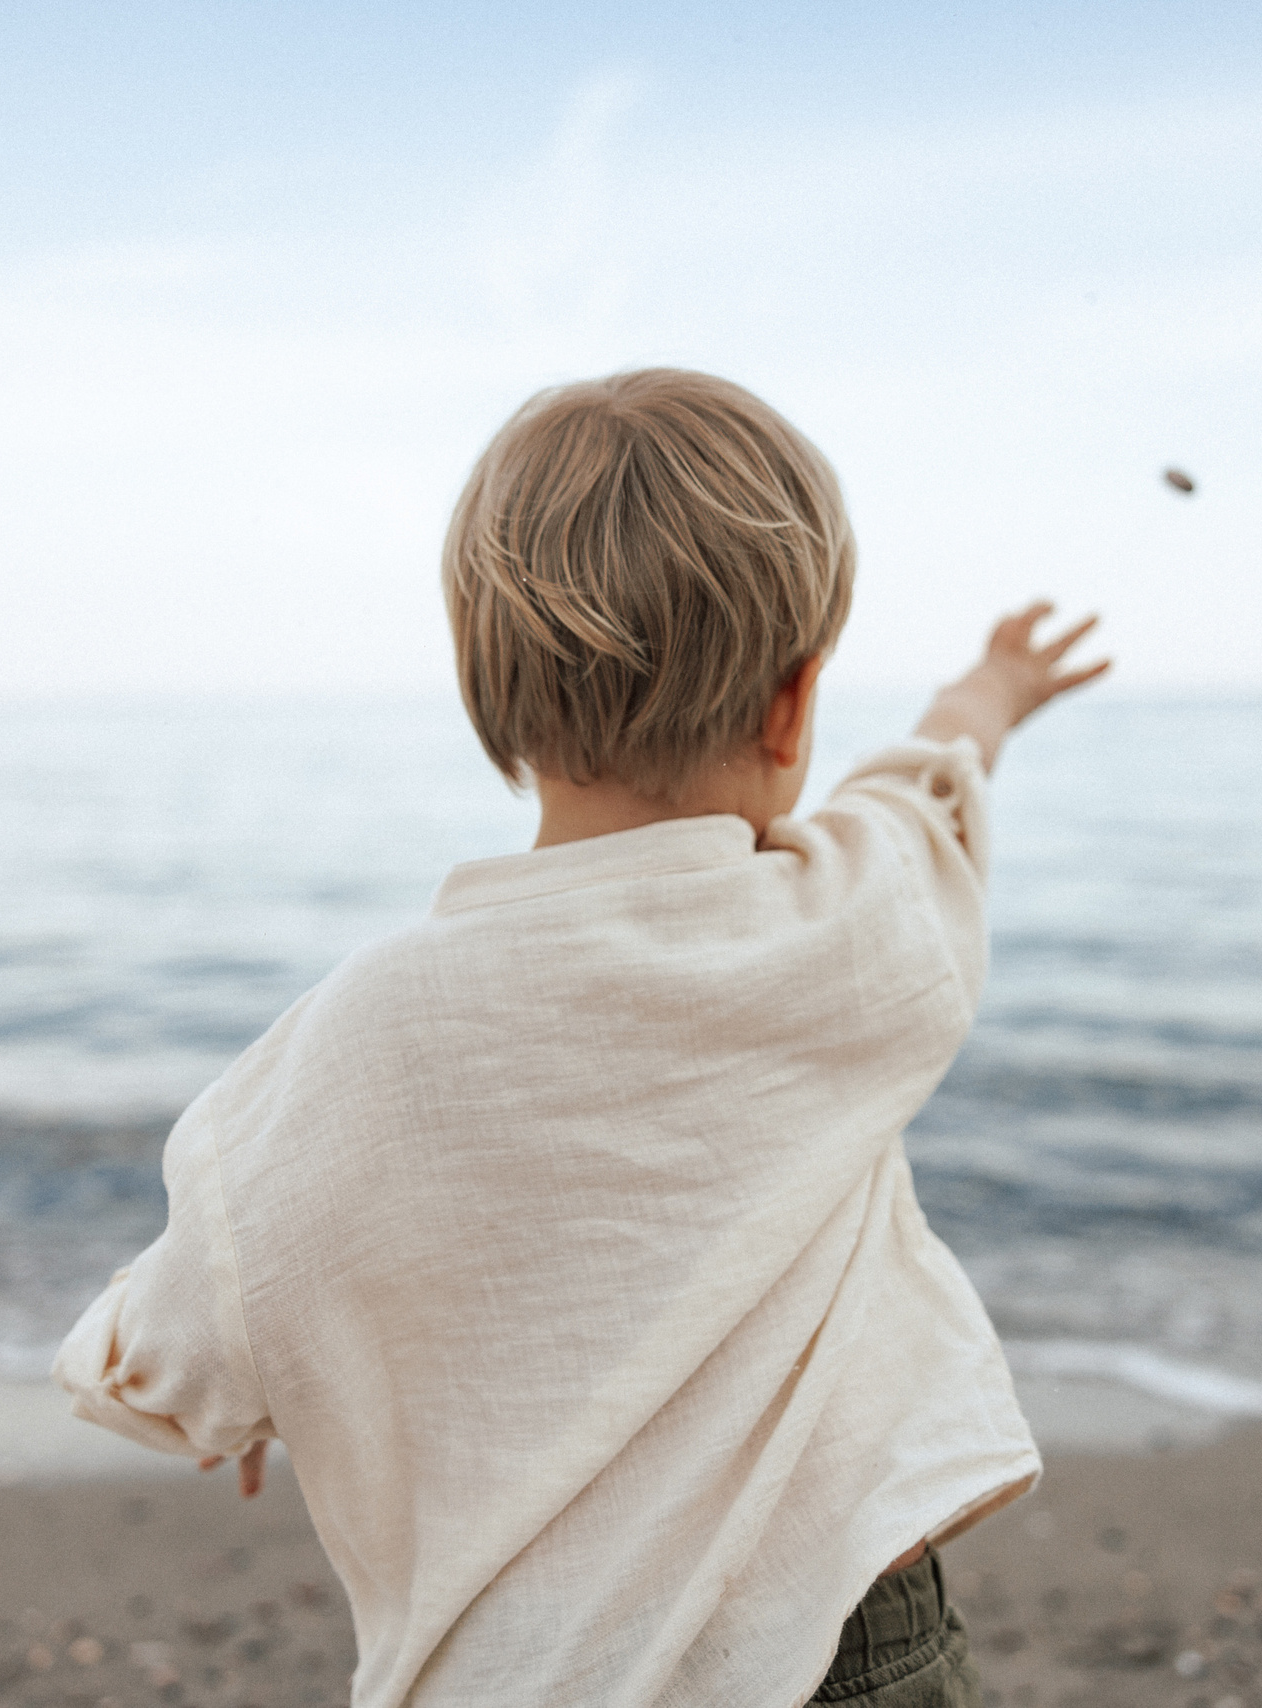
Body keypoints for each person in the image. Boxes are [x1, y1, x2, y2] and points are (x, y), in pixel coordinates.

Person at [54, 368, 1110, 1707]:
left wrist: (206, 1388)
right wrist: (989, 694)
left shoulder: (378, 1027)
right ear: (793, 707)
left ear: (488, 697)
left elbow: (201, 1313)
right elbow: (923, 796)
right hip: (842, 1647)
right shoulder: (856, 924)